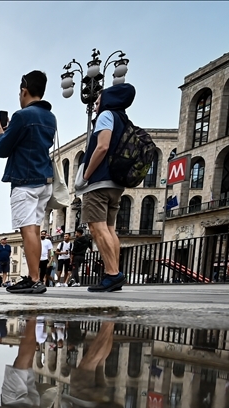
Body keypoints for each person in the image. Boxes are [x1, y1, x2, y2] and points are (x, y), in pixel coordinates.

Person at [0, 70, 57, 294]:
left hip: (24, 179)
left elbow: (2, 150)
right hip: (44, 180)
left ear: (24, 90)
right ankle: (36, 276)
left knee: (27, 229)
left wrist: (1, 134)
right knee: (35, 228)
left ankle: (33, 278)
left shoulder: (22, 116)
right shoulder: (50, 117)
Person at [75, 83, 136, 293]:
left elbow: (102, 147)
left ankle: (112, 274)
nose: (94, 106)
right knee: (110, 228)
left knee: (96, 227)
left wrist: (85, 175)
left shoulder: (106, 115)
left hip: (100, 181)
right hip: (116, 184)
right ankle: (115, 272)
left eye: (98, 101)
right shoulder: (123, 119)